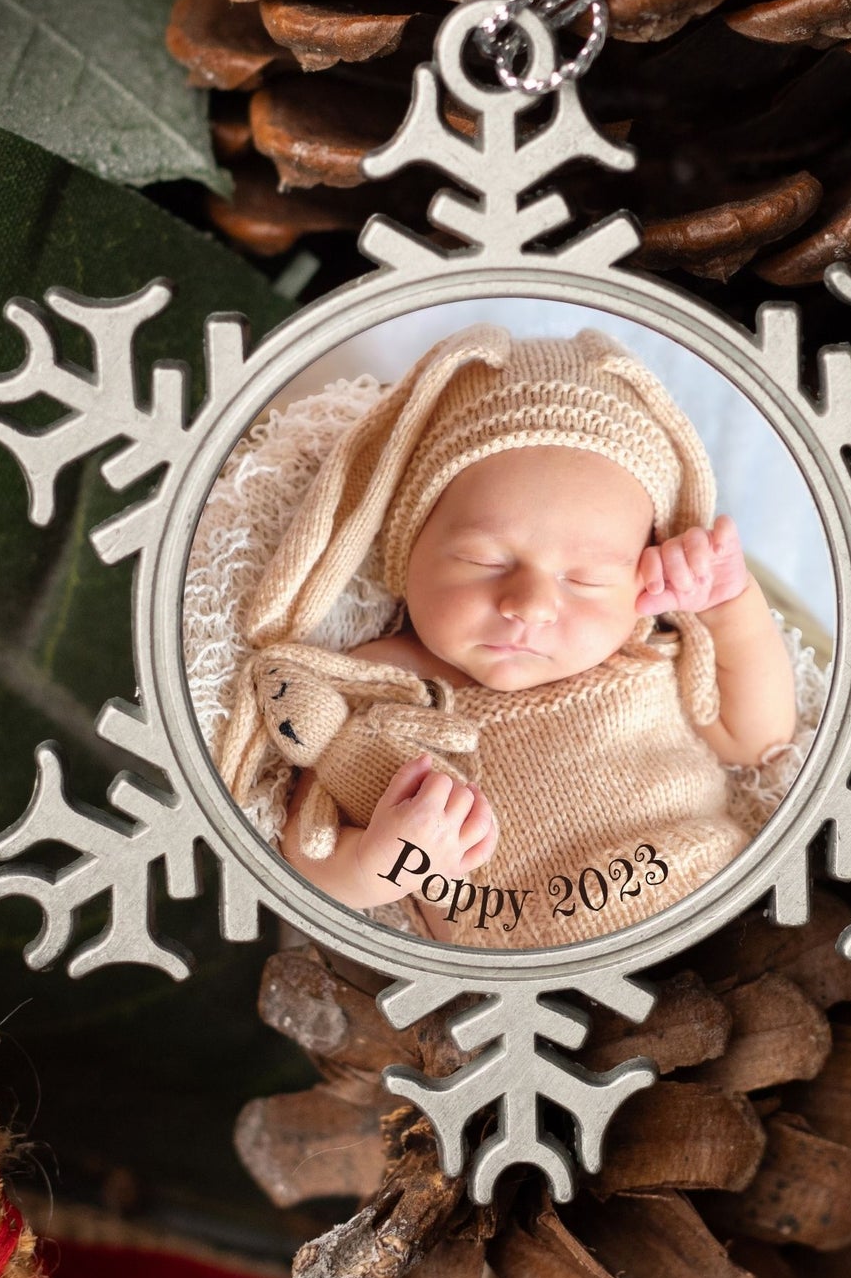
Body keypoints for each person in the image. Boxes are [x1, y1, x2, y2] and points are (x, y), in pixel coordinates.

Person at [215, 326, 797, 947]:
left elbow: (756, 741)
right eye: (484, 561)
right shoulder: (378, 686)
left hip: (719, 907)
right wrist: (375, 865)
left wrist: (731, 607)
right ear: (407, 550)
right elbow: (306, 855)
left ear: (638, 583)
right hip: (519, 967)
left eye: (586, 579)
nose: (530, 605)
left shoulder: (642, 647)